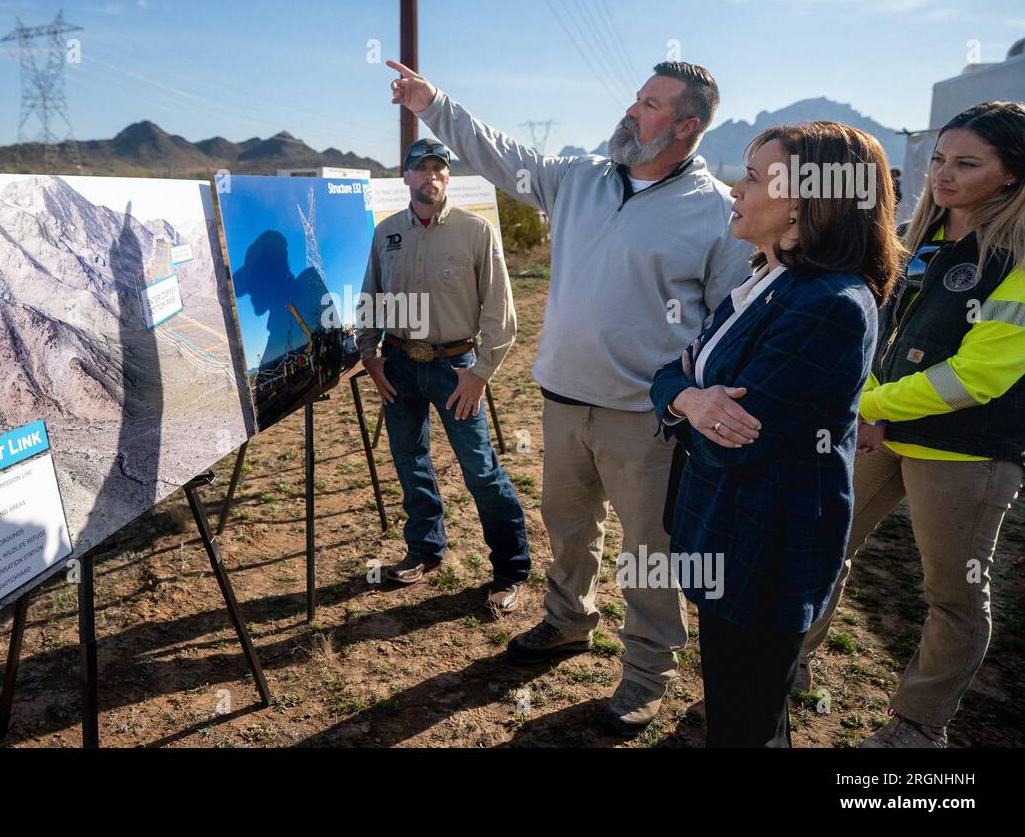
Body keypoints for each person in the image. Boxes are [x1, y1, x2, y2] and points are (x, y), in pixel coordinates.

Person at [387, 59, 752, 734]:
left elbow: (732, 320)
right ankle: (567, 621)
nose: (631, 110)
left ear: (686, 125)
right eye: (637, 98)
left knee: (650, 553)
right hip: (563, 402)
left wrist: (695, 400)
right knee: (569, 527)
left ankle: (646, 675)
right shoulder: (579, 179)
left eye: (649, 104)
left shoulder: (715, 212)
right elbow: (500, 153)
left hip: (650, 419)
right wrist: (433, 103)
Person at [651, 121, 901, 747]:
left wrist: (690, 397)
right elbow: (675, 373)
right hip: (728, 533)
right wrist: (687, 397)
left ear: (807, 201)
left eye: (756, 177)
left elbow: (732, 440)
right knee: (741, 704)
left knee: (745, 721)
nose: (737, 188)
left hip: (765, 551)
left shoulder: (830, 305)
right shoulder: (766, 279)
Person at [798, 101, 1025, 748]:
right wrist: (870, 403)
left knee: (952, 593)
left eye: (967, 164)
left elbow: (978, 377)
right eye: (939, 159)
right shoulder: (921, 238)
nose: (944, 175)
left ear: (1010, 175)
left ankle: (920, 726)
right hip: (884, 427)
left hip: (967, 453)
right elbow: (880, 333)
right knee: (825, 546)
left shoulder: (1018, 258)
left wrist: (873, 406)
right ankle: (791, 663)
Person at [358, 138, 532, 613]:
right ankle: (425, 549)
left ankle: (511, 569)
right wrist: (370, 357)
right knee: (410, 458)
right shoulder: (387, 232)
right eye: (422, 169)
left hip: (455, 370)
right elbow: (372, 295)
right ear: (407, 178)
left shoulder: (476, 231)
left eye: (439, 169)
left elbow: (501, 313)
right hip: (397, 365)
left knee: (479, 468)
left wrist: (480, 374)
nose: (430, 177)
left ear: (447, 178)